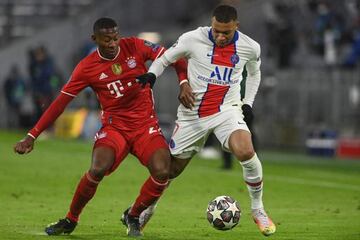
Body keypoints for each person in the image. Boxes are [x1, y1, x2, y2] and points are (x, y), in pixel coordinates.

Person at [13, 17, 187, 237]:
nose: (113, 43)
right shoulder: (86, 67)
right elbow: (60, 103)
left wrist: (183, 83)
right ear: (94, 39)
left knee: (163, 172)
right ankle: (70, 219)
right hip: (115, 127)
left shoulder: (135, 45)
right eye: (106, 40)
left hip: (145, 126)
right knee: (97, 168)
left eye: (115, 38)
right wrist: (32, 135)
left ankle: (133, 215)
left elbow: (176, 57)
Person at [136, 5, 276, 236]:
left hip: (226, 111)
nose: (220, 36)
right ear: (211, 24)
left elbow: (254, 73)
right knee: (170, 171)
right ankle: (146, 210)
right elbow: (165, 58)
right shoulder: (192, 38)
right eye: (216, 31)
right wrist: (152, 75)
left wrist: (247, 102)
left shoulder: (250, 47)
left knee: (246, 151)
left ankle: (258, 209)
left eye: (226, 33)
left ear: (236, 27)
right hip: (192, 115)